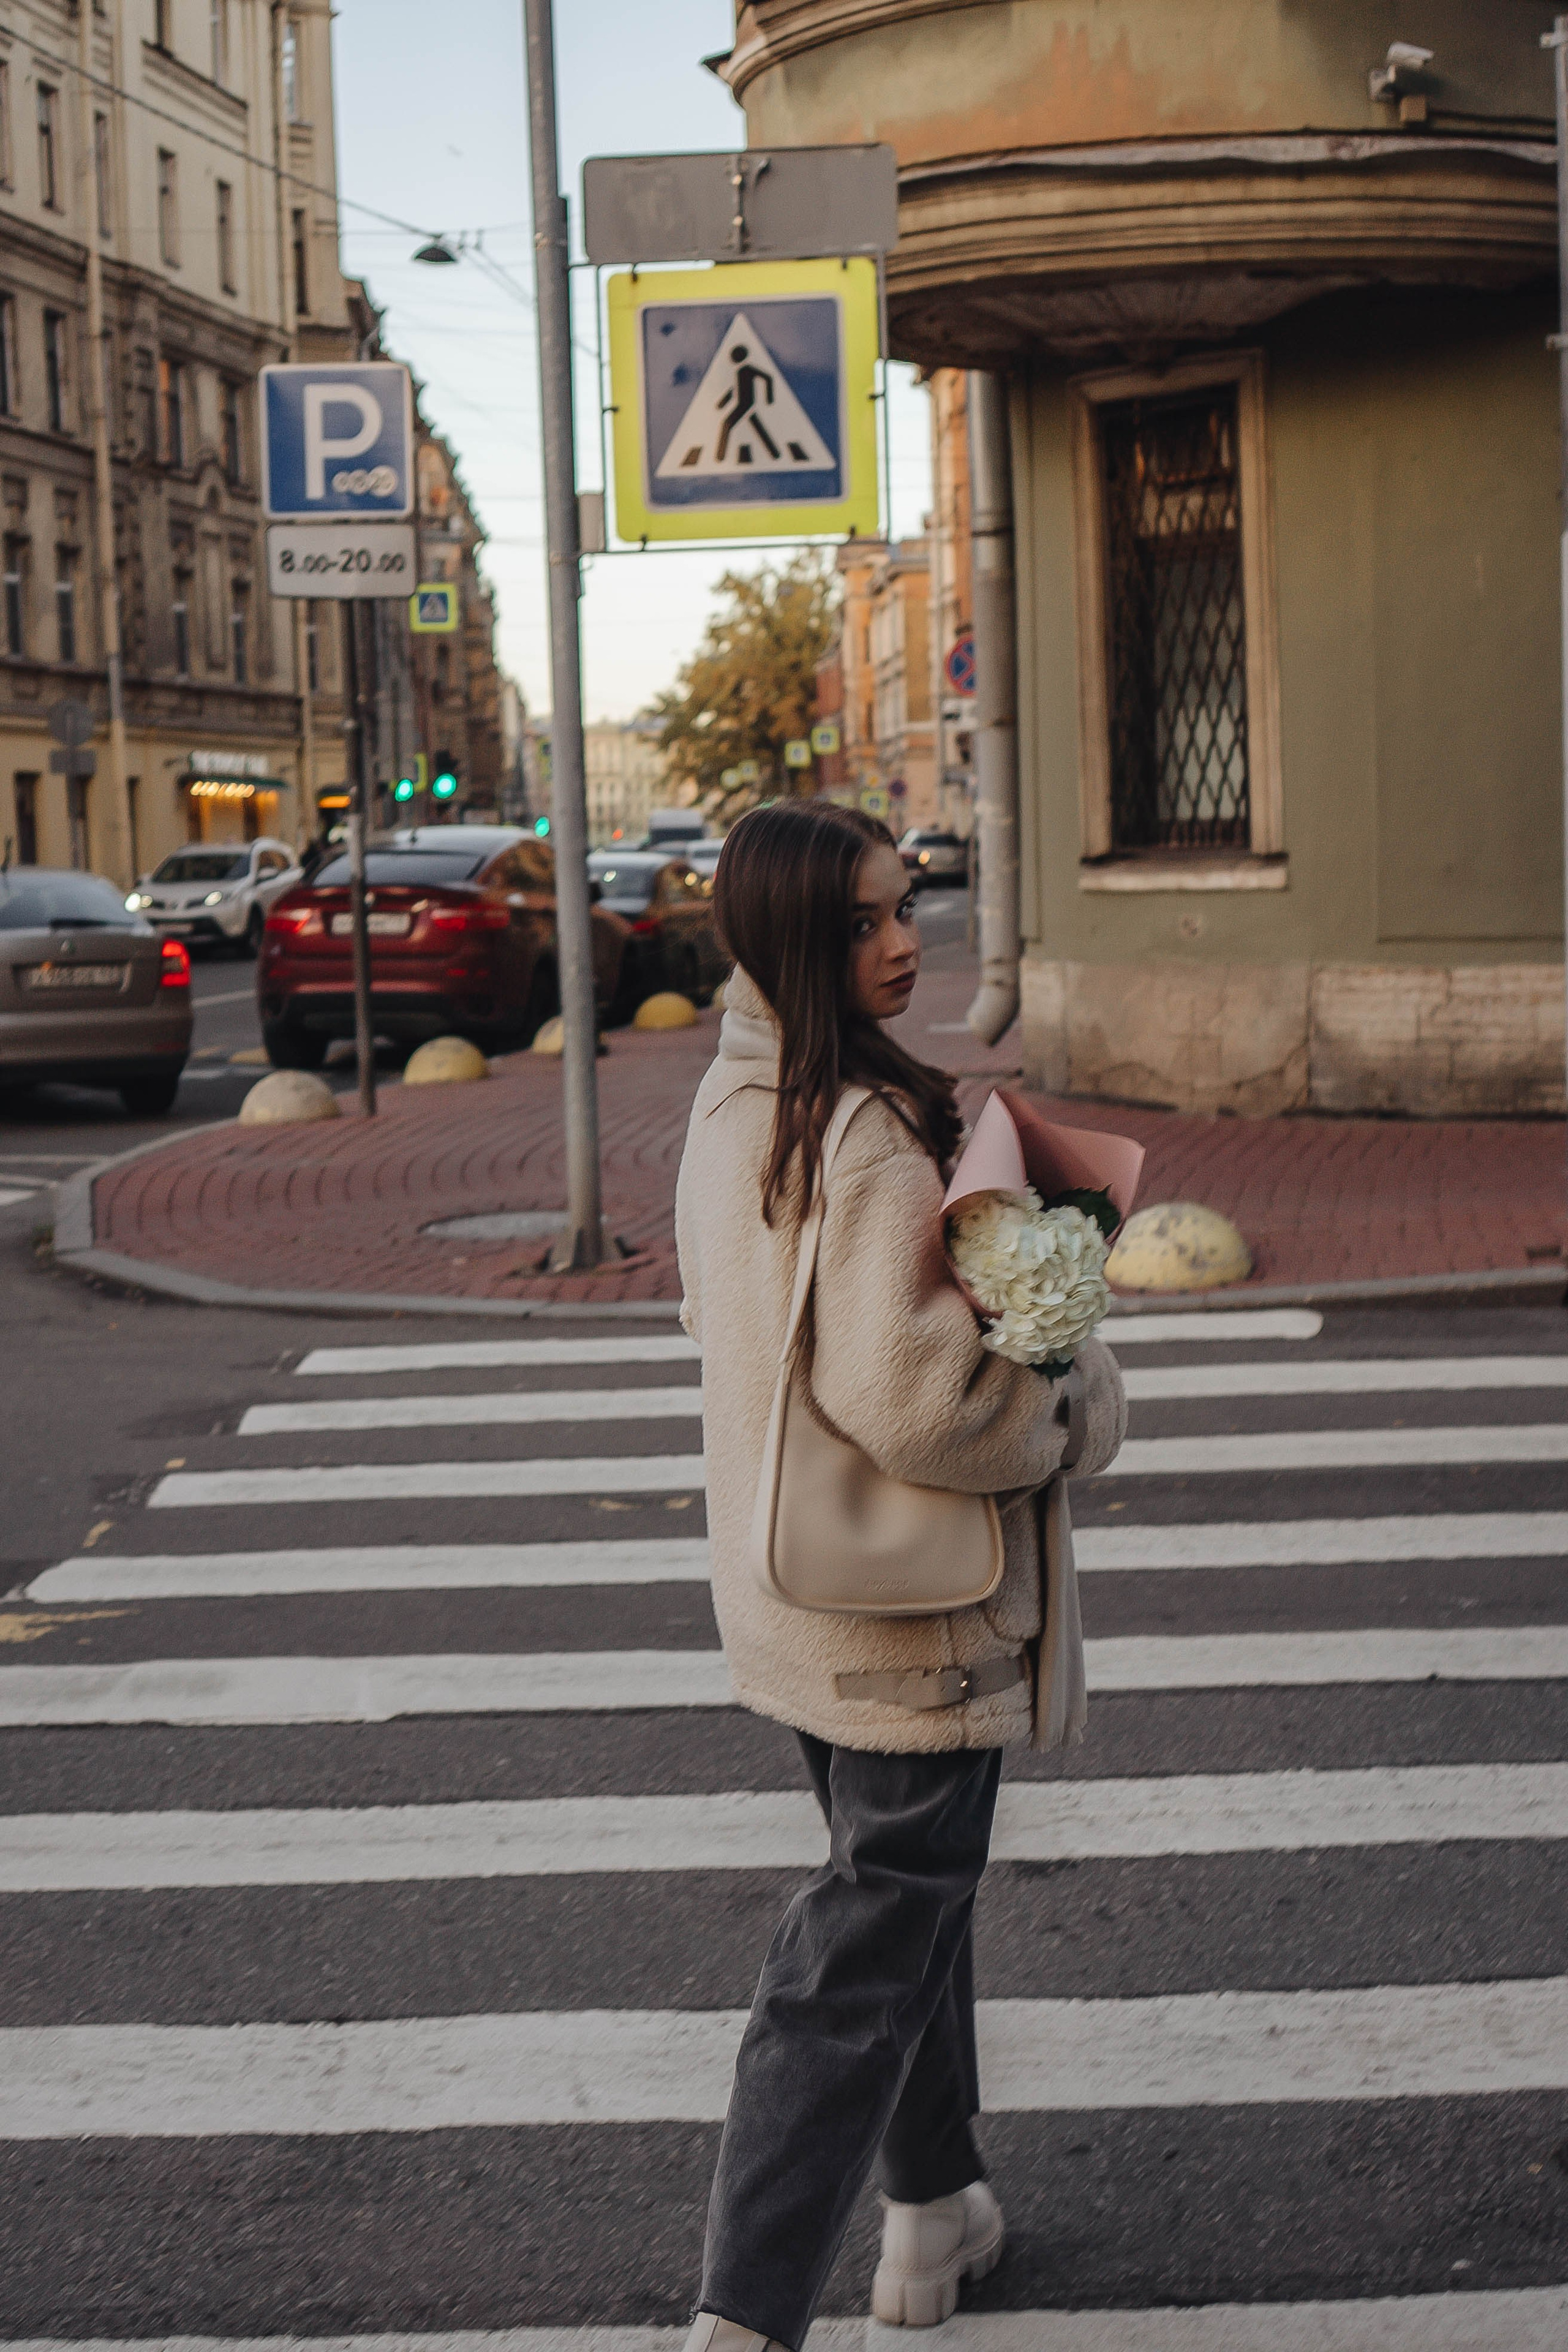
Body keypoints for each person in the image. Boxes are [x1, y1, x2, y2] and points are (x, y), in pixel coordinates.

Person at [674, 802, 1126, 2350]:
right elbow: (927, 1404)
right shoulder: (860, 1135)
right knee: (857, 1954)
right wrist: (1064, 1393)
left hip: (799, 1593)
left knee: (904, 1901)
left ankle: (931, 2213)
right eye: (863, 918)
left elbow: (729, 1333)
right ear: (795, 936)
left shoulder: (739, 1099)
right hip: (904, 1617)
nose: (899, 937)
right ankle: (742, 2320)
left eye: (903, 903)